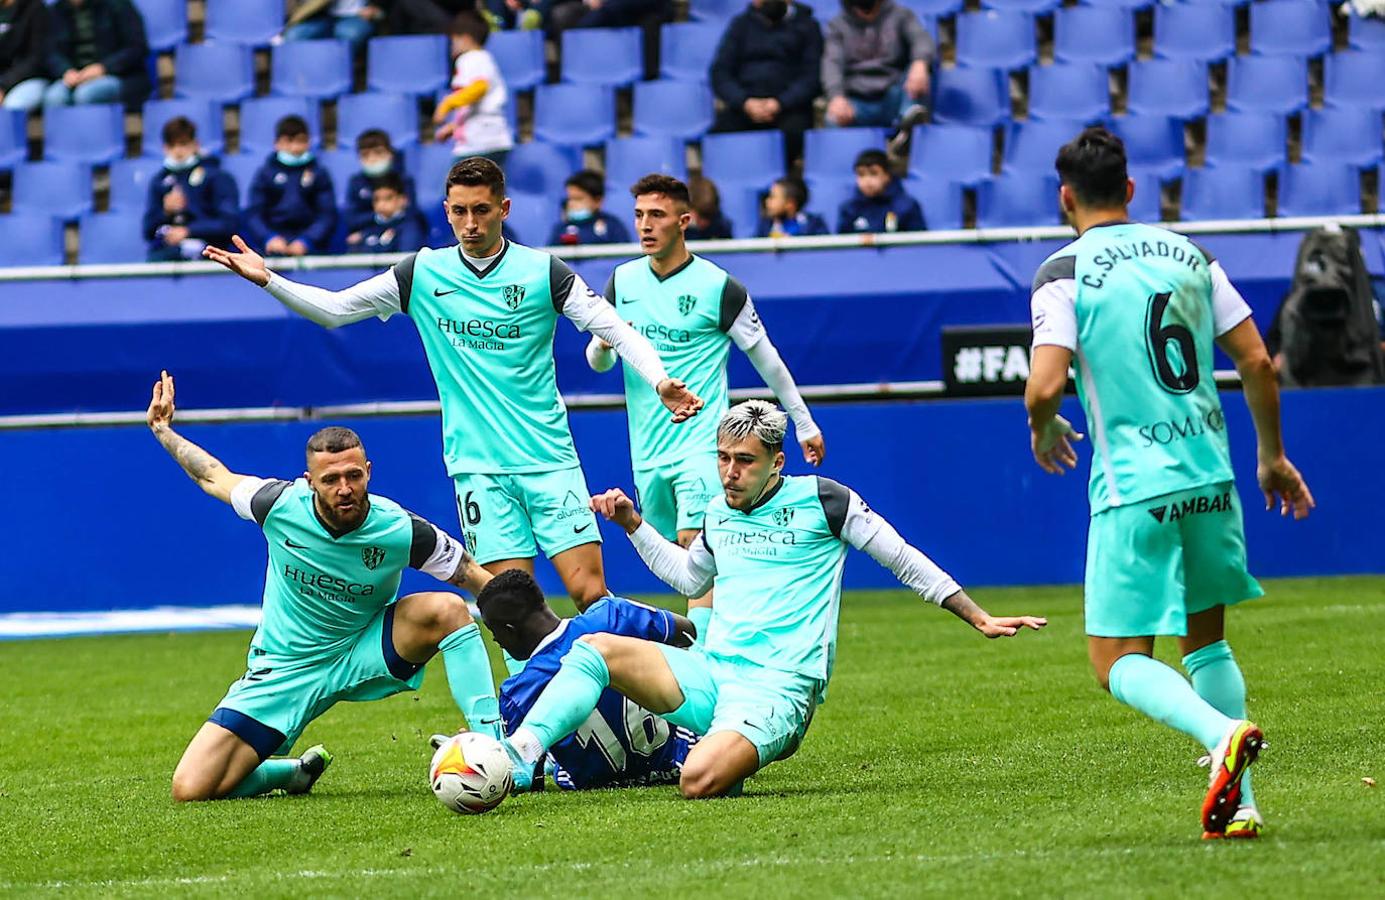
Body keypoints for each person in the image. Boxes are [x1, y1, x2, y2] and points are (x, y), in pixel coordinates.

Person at [204, 157, 704, 611]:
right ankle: (532, 714)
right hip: (478, 468)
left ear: (504, 208)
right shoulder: (422, 273)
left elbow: (615, 328)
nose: (470, 223)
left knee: (590, 593)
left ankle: (642, 688)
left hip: (549, 460)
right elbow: (334, 311)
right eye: (460, 211)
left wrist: (658, 380)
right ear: (446, 210)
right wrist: (269, 279)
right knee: (513, 607)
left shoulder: (542, 272)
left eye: (482, 210)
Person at [495, 400, 1045, 796]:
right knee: (595, 647)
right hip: (713, 673)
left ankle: (732, 747)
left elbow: (902, 558)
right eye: (724, 458)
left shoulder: (827, 502)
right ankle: (519, 757)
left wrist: (976, 615)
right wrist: (634, 525)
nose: (730, 473)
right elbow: (690, 580)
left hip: (778, 687)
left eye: (745, 461)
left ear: (778, 463)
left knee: (696, 781)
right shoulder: (719, 512)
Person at [1024, 126, 1316, 840]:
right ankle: (1241, 803)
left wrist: (1042, 427)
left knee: (1114, 662)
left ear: (1065, 197)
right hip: (1208, 475)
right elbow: (1256, 361)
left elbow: (1044, 385)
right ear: (1129, 190)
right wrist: (1270, 456)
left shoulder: (1061, 271)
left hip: (1133, 485)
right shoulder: (1191, 255)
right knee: (1205, 642)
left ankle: (1218, 736)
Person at [145, 371, 503, 802]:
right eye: (330, 480)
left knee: (448, 609)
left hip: (363, 649)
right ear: (310, 480)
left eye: (353, 475)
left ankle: (494, 750)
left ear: (369, 472)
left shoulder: (399, 528)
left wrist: (546, 632)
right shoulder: (275, 505)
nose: (344, 488)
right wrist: (163, 430)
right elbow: (212, 476)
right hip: (287, 669)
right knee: (191, 788)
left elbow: (475, 577)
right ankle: (290, 773)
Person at [587, 173, 824, 635]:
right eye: (638, 215)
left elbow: (767, 360)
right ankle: (738, 633)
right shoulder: (623, 281)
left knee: (696, 547)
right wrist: (603, 344)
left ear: (684, 221)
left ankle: (706, 664)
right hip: (648, 449)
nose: (645, 226)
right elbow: (597, 362)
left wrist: (804, 423)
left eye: (656, 215)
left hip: (702, 442)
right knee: (681, 565)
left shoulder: (719, 287)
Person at [470, 569, 699, 790]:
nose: (495, 640)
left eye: (494, 632)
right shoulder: (612, 615)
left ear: (510, 630)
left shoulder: (517, 693)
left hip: (599, 782)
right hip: (686, 761)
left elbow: (528, 778)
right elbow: (688, 633)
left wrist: (478, 755)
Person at [709, 0, 822, 168]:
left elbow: (812, 76)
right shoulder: (741, 25)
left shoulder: (808, 25)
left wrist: (780, 103)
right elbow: (720, 73)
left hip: (789, 108)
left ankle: (780, 186)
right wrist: (744, 101)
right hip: (745, 105)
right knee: (720, 136)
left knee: (794, 133)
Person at [822, 0, 932, 140]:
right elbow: (832, 63)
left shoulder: (901, 15)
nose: (866, 15)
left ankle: (907, 131)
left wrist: (920, 62)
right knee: (833, 117)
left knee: (920, 70)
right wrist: (836, 96)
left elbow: (921, 40)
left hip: (894, 95)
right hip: (858, 102)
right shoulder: (837, 25)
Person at [143, 116, 240, 262]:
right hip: (168, 251)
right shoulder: (159, 181)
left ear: (195, 144)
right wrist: (164, 212)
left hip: (209, 251)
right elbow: (147, 231)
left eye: (183, 144)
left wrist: (189, 231)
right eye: (172, 145)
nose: (178, 151)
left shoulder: (216, 177)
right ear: (165, 148)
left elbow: (228, 223)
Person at [244, 115, 338, 257]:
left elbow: (327, 214)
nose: (294, 147)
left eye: (300, 141)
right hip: (272, 248)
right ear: (277, 143)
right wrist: (269, 238)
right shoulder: (265, 174)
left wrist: (307, 241)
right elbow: (254, 213)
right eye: (288, 141)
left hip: (311, 249)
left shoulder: (319, 174)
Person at [433, 10, 513, 166]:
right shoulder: (483, 59)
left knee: (456, 187)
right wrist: (453, 127)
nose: (451, 46)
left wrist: (447, 104)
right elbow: (473, 106)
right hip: (489, 137)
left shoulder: (471, 58)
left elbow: (479, 88)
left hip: (481, 141)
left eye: (453, 40)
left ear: (465, 39)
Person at [36, 0, 150, 108]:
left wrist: (103, 68)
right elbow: (50, 52)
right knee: (54, 98)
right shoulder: (55, 11)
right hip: (74, 76)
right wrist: (65, 71)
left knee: (86, 94)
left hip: (118, 76)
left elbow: (136, 47)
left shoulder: (118, 4)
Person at [344, 129, 418, 243]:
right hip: (368, 234)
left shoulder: (404, 180)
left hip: (400, 232)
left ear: (390, 154)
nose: (372, 159)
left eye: (378, 152)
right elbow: (351, 219)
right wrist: (379, 216)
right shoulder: (356, 182)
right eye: (365, 155)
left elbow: (411, 213)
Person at [837, 149, 925, 234]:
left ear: (887, 175)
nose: (867, 180)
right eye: (861, 174)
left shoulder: (907, 207)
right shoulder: (849, 210)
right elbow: (841, 247)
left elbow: (920, 246)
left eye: (873, 173)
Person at [346, 172, 428, 253]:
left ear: (403, 199)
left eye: (388, 198)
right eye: (377, 199)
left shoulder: (411, 228)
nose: (381, 204)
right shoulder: (366, 230)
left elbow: (405, 261)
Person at [548, 170, 630, 246]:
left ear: (598, 201)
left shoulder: (612, 227)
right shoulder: (561, 229)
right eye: (570, 199)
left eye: (578, 199)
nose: (572, 204)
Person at [0, 0, 51, 112]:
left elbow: (36, 59)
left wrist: (3, 85)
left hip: (31, 79)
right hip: (3, 80)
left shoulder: (35, 8)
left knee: (13, 106)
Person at [282, 0, 382, 52]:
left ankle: (335, 82)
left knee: (348, 35)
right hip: (321, 16)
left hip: (357, 16)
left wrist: (376, 9)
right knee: (294, 36)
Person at [756, 176, 829, 238]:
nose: (767, 201)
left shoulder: (815, 226)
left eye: (773, 197)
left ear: (790, 204)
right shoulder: (765, 227)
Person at [684, 175, 734, 241]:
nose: (704, 223)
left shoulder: (722, 226)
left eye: (709, 216)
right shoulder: (676, 227)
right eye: (701, 216)